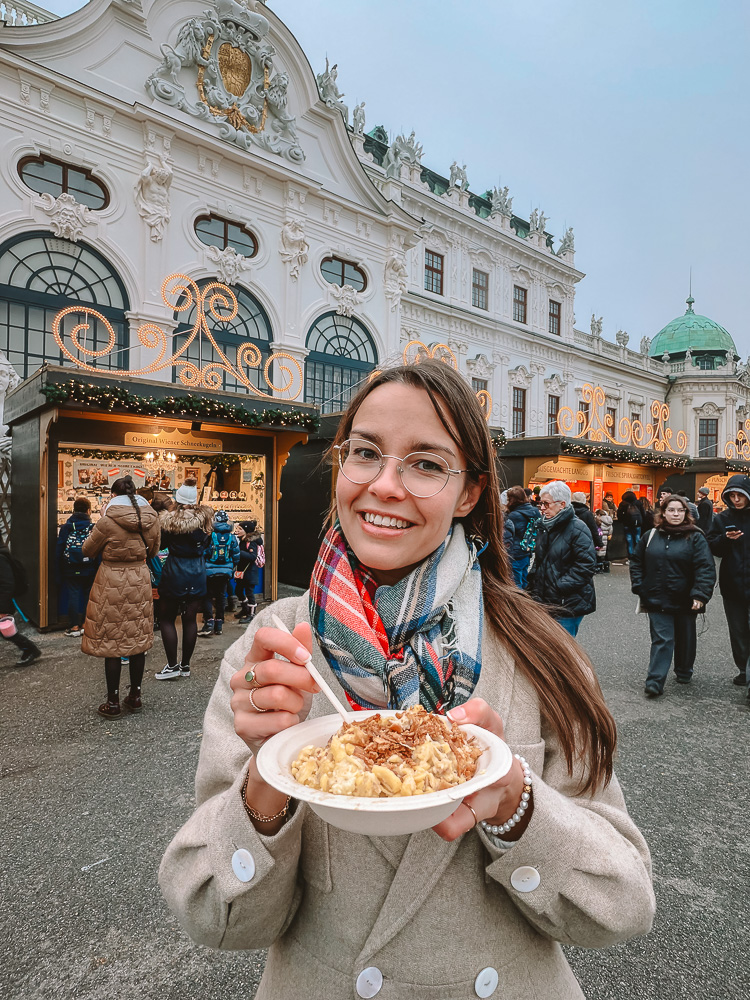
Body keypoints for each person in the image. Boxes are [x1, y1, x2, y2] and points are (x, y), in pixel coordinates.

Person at [159, 362, 654, 1000]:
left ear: (471, 492)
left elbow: (623, 908)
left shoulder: (542, 653)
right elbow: (213, 919)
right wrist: (267, 780)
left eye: (425, 463)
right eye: (365, 453)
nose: (385, 486)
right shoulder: (277, 650)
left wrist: (516, 804)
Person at [80, 477, 160, 718]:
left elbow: (88, 550)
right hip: (139, 579)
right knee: (137, 640)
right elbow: (154, 550)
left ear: (114, 494)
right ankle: (135, 696)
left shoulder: (107, 521)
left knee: (112, 642)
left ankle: (113, 701)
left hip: (110, 582)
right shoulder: (152, 518)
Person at [630, 495, 716, 697]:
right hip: (656, 597)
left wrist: (700, 594)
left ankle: (684, 670)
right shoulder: (650, 535)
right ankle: (655, 681)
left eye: (680, 510)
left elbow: (705, 567)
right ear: (663, 512)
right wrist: (639, 586)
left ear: (686, 513)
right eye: (671, 510)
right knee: (662, 639)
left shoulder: (695, 537)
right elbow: (636, 561)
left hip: (686, 598)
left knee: (685, 637)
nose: (675, 514)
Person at [155, 479, 213, 680]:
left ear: (177, 499)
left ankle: (172, 666)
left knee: (166, 618)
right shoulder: (205, 520)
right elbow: (208, 546)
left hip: (175, 572)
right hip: (197, 573)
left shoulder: (169, 521)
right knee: (190, 620)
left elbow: (160, 546)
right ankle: (186, 665)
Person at [529, 481, 597, 638]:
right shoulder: (545, 527)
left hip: (568, 603)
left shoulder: (578, 528)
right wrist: (532, 587)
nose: (542, 508)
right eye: (541, 503)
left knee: (562, 651)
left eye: (546, 503)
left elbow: (586, 566)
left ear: (562, 504)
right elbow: (540, 562)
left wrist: (558, 586)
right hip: (547, 601)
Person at [708, 474, 750, 698]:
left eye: (740, 495)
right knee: (739, 631)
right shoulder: (721, 518)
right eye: (732, 495)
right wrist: (726, 539)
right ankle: (744, 669)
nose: (736, 499)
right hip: (732, 584)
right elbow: (714, 547)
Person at [56, 497, 98, 637]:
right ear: (88, 511)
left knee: (73, 594)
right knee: (88, 595)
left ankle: (74, 626)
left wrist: (57, 567)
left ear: (74, 510)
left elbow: (60, 547)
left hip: (70, 566)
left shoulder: (66, 527)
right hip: (89, 566)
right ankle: (86, 624)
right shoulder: (93, 527)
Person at [0, 537, 42, 666]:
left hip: (2, 603)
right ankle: (30, 650)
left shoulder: (1, 558)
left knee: (6, 631)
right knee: (5, 632)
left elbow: (7, 584)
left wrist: (3, 610)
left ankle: (30, 649)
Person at [199, 510, 240, 637]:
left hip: (209, 571)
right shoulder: (232, 537)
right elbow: (236, 555)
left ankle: (209, 621)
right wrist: (232, 567)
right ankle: (219, 624)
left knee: (207, 595)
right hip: (225, 571)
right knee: (221, 596)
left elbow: (203, 552)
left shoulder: (210, 535)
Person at [504, 485, 542, 588]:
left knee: (516, 583)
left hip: (515, 553)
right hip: (527, 550)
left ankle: (519, 602)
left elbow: (508, 535)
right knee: (524, 579)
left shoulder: (513, 515)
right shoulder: (534, 511)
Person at [233, 519, 263, 623]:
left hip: (250, 572)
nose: (237, 530)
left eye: (240, 529)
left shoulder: (251, 542)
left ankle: (251, 614)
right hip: (242, 572)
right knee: (238, 590)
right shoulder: (242, 541)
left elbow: (252, 556)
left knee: (250, 593)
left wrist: (239, 552)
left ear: (246, 531)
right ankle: (245, 609)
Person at [617, 490, 643, 558]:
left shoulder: (623, 503)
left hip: (627, 524)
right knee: (637, 539)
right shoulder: (638, 502)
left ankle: (631, 556)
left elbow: (619, 514)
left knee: (629, 541)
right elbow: (643, 513)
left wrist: (622, 521)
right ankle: (638, 555)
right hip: (637, 524)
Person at [594, 507, 613, 573]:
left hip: (600, 538)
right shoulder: (609, 521)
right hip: (606, 539)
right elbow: (610, 531)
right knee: (605, 553)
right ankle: (606, 567)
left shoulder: (598, 521)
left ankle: (599, 567)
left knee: (599, 552)